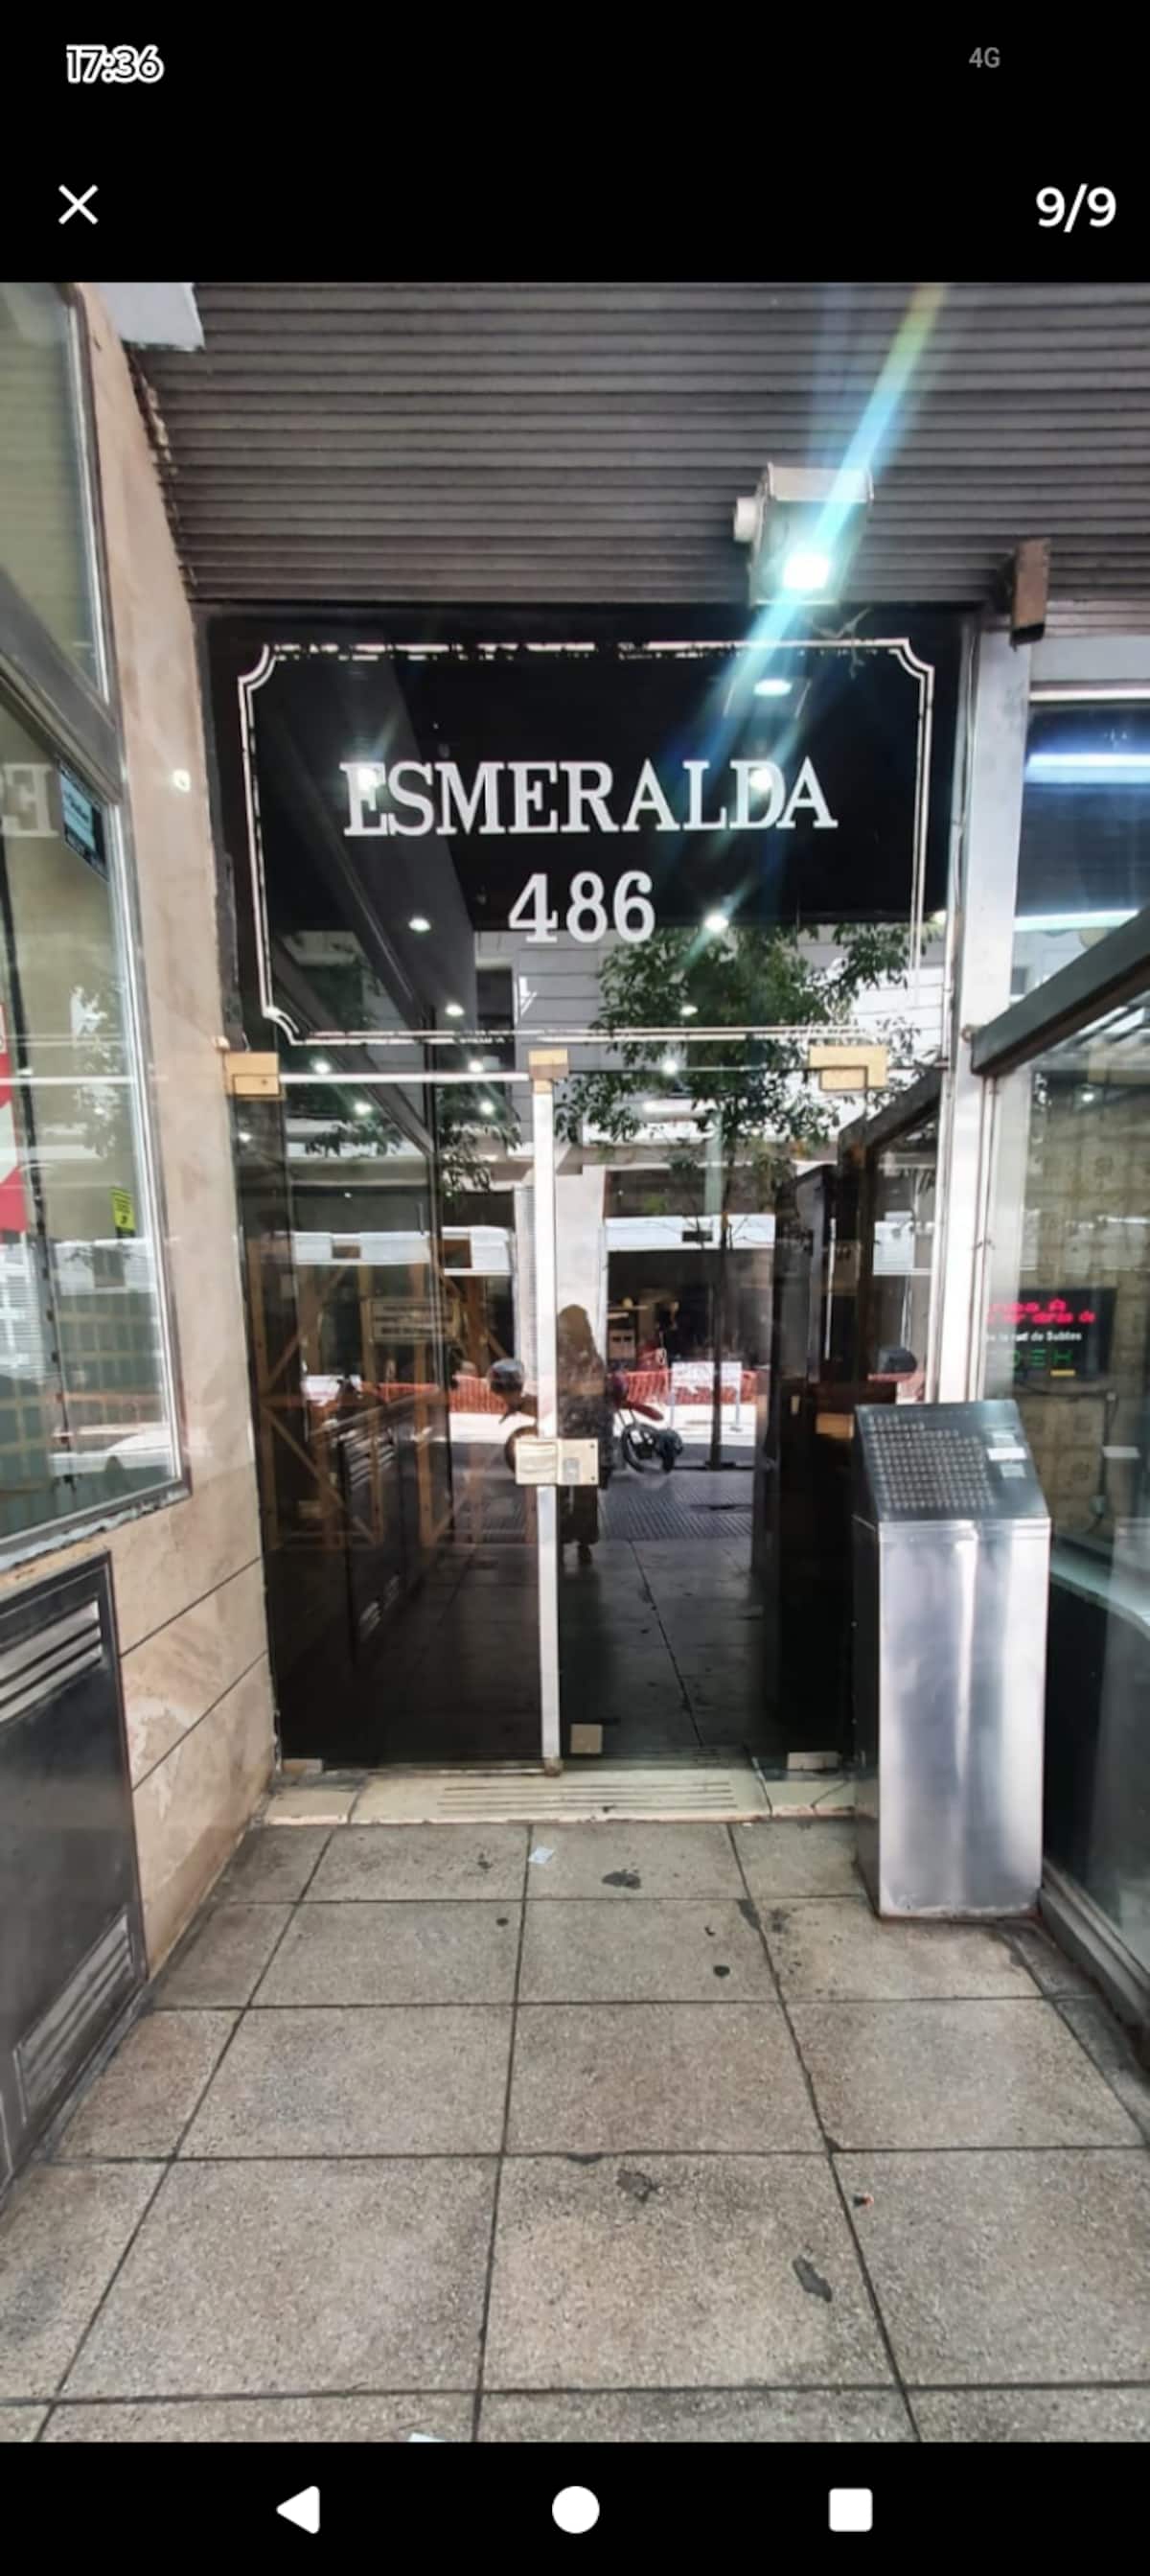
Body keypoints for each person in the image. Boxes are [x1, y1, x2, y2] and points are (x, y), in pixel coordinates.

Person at [557, 1304, 613, 1564]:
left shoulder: (563, 1356)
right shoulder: (592, 1355)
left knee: (565, 1487)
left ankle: (563, 1536)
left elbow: (567, 1387)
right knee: (583, 1489)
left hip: (569, 1430)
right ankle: (583, 1541)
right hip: (586, 1432)